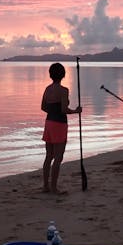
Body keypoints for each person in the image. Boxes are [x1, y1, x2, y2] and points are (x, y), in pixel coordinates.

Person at [41, 62, 82, 194]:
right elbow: (64, 109)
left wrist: (53, 110)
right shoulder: (64, 90)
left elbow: (43, 107)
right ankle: (53, 187)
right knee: (58, 157)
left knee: (49, 156)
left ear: (50, 75)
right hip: (59, 125)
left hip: (49, 123)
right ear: (63, 75)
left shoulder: (47, 89)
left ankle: (46, 186)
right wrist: (76, 111)